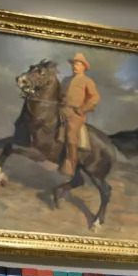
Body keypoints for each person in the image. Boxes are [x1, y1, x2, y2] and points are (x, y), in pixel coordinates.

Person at [54, 52, 101, 207]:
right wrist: (60, 103)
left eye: (78, 63)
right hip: (63, 109)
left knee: (70, 130)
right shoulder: (66, 80)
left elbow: (95, 98)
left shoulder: (87, 81)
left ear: (84, 67)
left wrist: (83, 108)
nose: (75, 66)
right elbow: (61, 95)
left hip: (76, 113)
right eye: (74, 63)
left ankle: (70, 162)